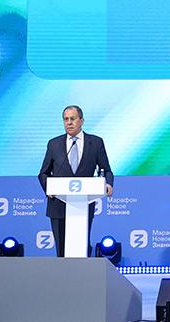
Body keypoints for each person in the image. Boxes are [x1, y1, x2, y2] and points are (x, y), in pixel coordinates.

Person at [38, 105, 114, 257]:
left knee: (82, 247)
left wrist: (108, 183)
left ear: (82, 121)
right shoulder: (54, 144)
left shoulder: (96, 142)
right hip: (58, 205)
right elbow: (43, 173)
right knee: (61, 251)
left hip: (83, 205)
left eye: (72, 119)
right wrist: (49, 188)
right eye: (65, 119)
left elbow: (107, 170)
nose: (69, 122)